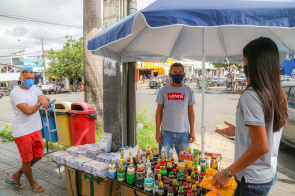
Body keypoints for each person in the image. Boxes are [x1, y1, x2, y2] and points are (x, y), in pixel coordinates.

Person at [212, 37, 289, 196]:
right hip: (267, 174)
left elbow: (261, 146)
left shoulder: (252, 95)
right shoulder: (276, 92)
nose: (243, 65)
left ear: (256, 64)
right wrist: (239, 131)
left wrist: (227, 172)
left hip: (250, 179)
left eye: (245, 61)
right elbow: (267, 131)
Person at [7, 69, 50, 193]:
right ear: (21, 79)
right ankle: (32, 182)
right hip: (23, 132)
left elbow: (44, 96)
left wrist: (44, 98)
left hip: (36, 129)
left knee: (38, 156)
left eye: (32, 78)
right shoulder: (16, 92)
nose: (31, 81)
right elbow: (28, 111)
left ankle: (16, 175)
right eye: (27, 78)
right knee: (26, 159)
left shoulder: (34, 88)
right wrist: (40, 102)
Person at [155, 63, 196, 159]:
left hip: (183, 133)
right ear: (170, 74)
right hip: (166, 133)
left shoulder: (188, 90)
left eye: (180, 72)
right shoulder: (163, 90)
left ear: (184, 74)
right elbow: (159, 111)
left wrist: (192, 131)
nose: (178, 74)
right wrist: (157, 131)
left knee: (185, 163)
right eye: (175, 72)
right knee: (163, 163)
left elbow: (191, 111)